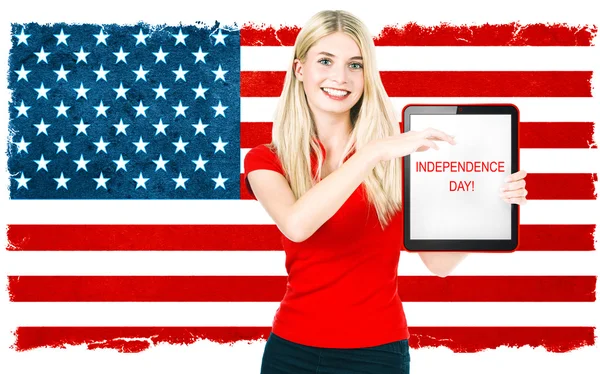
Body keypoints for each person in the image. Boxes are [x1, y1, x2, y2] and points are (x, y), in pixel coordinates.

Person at [244, 9, 528, 374]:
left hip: (378, 353)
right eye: (326, 61)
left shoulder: (398, 156)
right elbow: (297, 224)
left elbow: (438, 263)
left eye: (355, 65)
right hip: (291, 352)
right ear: (300, 70)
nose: (340, 77)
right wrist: (373, 151)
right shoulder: (267, 159)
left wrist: (492, 204)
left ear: (367, 75)